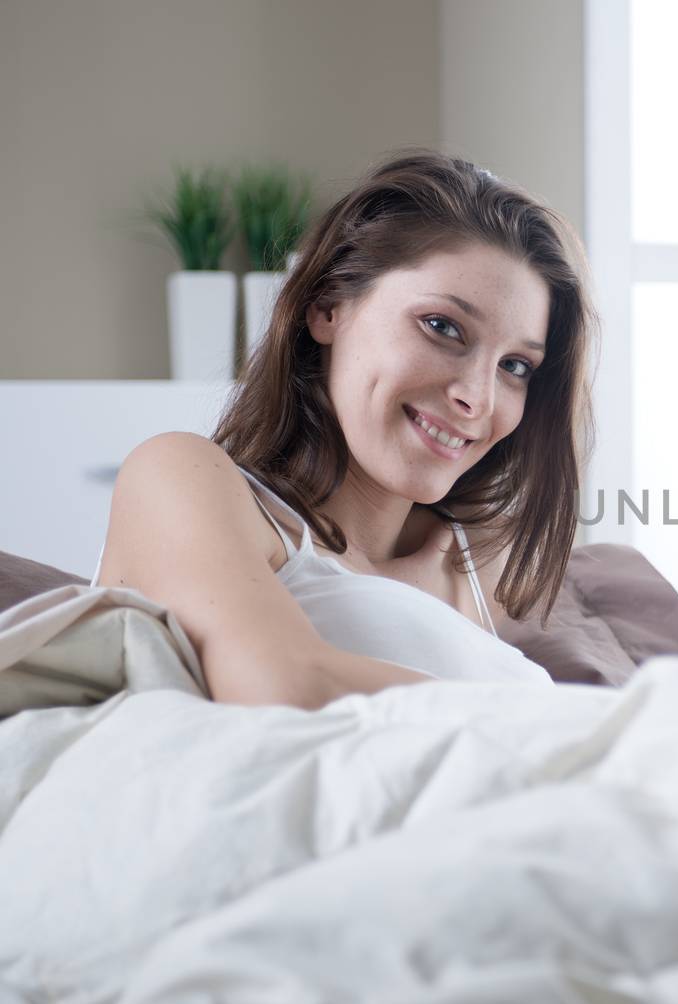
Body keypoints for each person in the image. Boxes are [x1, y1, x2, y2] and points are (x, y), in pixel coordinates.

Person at [94, 150, 594, 710]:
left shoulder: (477, 569)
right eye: (442, 327)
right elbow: (278, 685)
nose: (476, 398)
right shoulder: (183, 479)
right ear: (328, 305)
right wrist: (586, 721)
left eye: (515, 366)